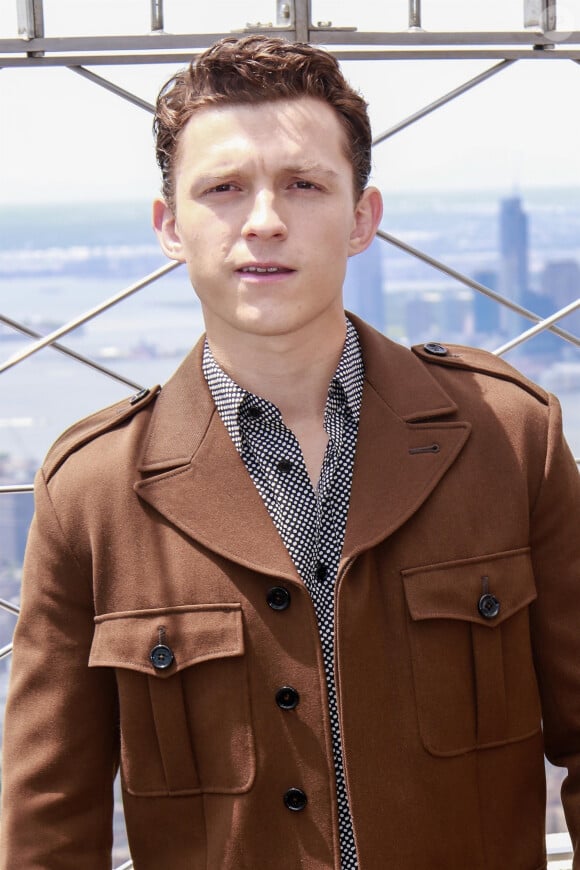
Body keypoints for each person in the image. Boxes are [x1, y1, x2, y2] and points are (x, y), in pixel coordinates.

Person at [1, 34, 580, 870]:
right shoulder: (92, 492)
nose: (264, 221)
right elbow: (51, 823)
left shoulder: (509, 438)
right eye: (224, 189)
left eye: (304, 185)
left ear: (361, 218)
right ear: (171, 226)